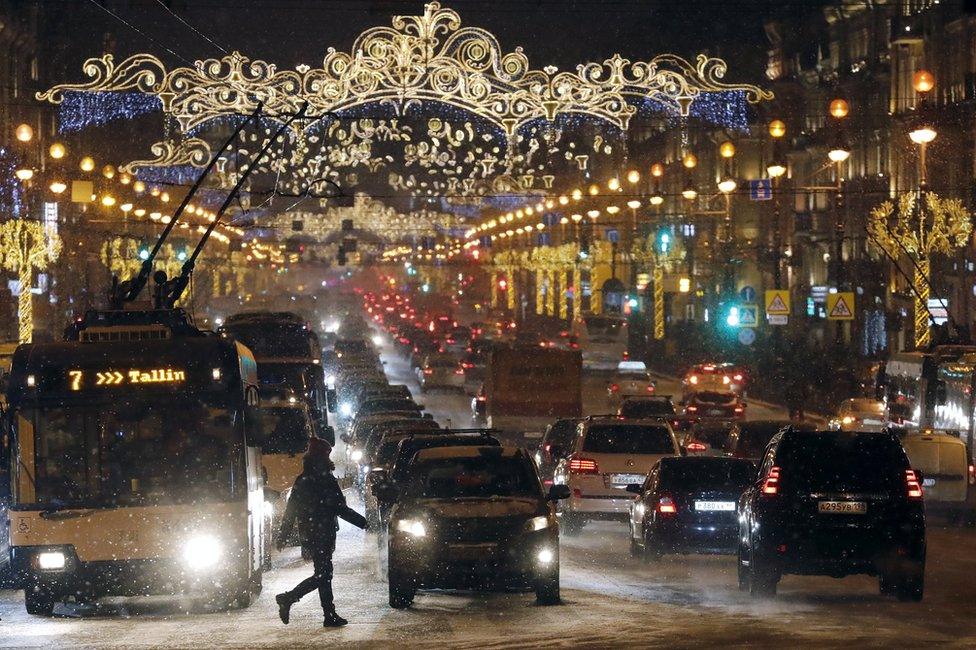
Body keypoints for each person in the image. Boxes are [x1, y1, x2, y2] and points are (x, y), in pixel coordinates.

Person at [275, 437, 367, 627]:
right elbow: (339, 507)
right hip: (322, 533)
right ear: (323, 456)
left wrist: (283, 535)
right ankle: (289, 598)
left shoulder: (302, 479)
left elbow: (290, 510)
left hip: (310, 533)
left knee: (323, 573)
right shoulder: (325, 479)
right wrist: (363, 522)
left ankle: (329, 614)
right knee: (323, 575)